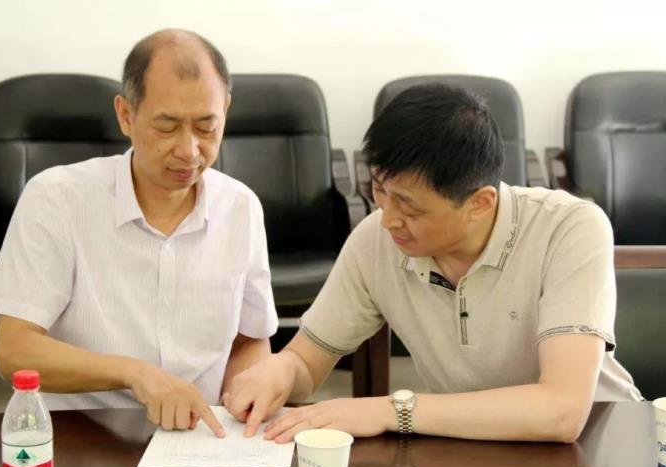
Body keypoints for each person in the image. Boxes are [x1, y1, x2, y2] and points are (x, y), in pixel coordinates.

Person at [224, 83, 641, 443]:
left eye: (410, 207)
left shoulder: (569, 228)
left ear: (480, 203)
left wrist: (391, 410)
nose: (388, 219)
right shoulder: (377, 240)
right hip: (472, 450)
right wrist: (279, 371)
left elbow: (563, 410)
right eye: (379, 190)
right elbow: (306, 361)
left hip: (600, 446)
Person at [0, 29, 277, 437]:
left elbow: (250, 339)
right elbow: (14, 350)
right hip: (81, 439)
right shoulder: (56, 199)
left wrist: (250, 390)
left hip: (199, 440)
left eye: (206, 127)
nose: (189, 150)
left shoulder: (241, 207)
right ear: (125, 115)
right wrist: (135, 374)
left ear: (225, 110)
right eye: (167, 127)